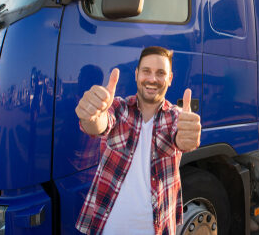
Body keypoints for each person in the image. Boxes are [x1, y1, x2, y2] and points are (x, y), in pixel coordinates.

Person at [75, 46, 201, 235]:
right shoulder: (119, 107)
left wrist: (187, 140)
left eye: (160, 73)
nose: (152, 79)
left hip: (157, 228)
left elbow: (180, 139)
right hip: (107, 226)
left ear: (170, 79)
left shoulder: (176, 116)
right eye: (146, 71)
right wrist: (91, 117)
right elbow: (101, 123)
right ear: (136, 74)